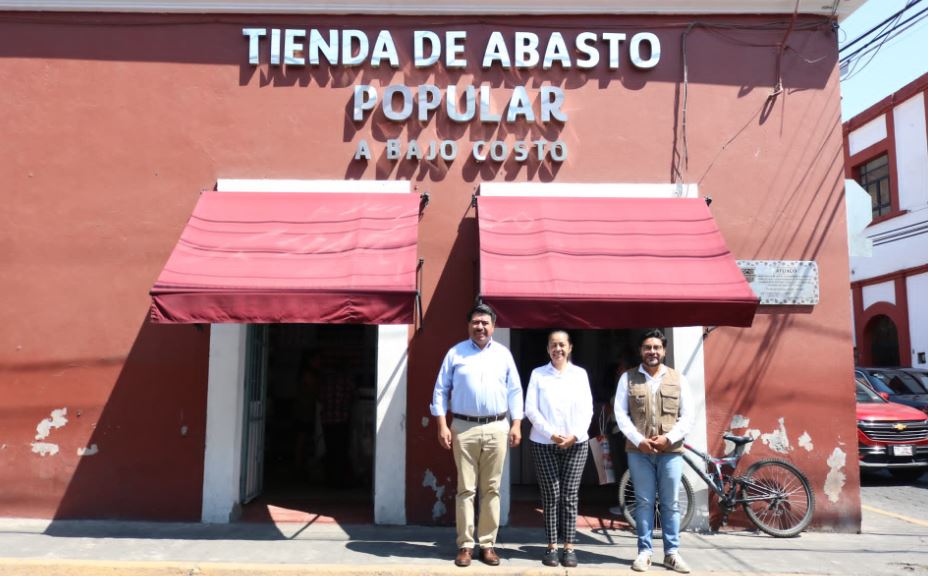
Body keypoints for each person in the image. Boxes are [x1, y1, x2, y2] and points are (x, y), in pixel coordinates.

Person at [430, 303, 524, 568]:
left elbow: (515, 391)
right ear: (468, 325)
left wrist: (516, 424)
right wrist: (441, 424)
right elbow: (440, 390)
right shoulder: (455, 353)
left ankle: (488, 544)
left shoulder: (504, 355)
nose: (480, 327)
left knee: (492, 488)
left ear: (493, 326)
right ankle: (465, 545)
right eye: (475, 322)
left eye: (485, 322)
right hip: (463, 427)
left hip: (497, 426)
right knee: (466, 489)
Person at [614, 330, 694, 574]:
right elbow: (620, 413)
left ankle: (672, 553)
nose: (652, 352)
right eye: (647, 347)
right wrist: (639, 440)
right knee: (644, 502)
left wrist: (667, 438)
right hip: (639, 452)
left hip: (670, 451)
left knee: (670, 503)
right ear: (641, 351)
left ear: (664, 351)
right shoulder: (628, 378)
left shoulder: (678, 379)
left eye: (656, 347)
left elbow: (688, 416)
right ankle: (644, 552)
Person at [524, 330, 593, 568]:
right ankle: (552, 546)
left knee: (570, 496)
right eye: (553, 345)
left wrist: (574, 435)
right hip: (544, 443)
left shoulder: (580, 375)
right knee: (551, 496)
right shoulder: (538, 375)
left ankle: (570, 547)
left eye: (562, 344)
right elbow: (531, 409)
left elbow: (588, 409)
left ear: (570, 347)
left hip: (577, 443)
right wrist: (551, 434)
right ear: (547, 349)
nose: (558, 349)